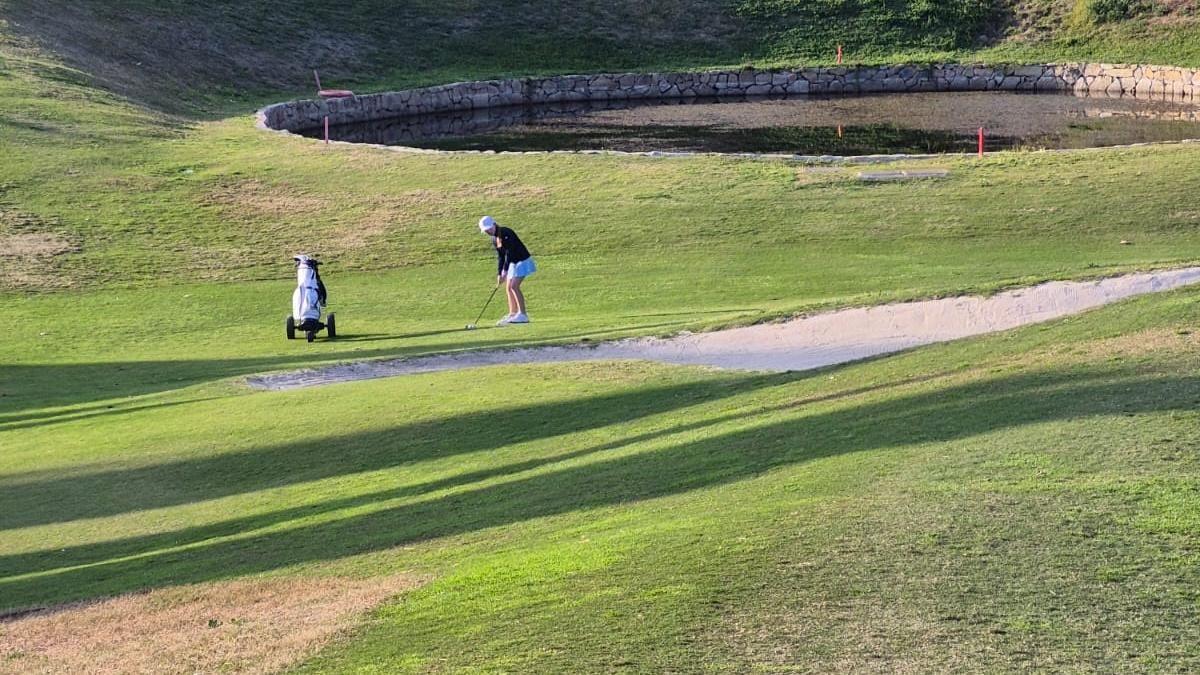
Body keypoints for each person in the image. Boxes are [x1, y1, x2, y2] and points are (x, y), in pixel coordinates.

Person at [479, 215, 536, 325]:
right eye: (486, 230)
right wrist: (500, 273)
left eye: (489, 229)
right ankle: (513, 313)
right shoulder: (494, 239)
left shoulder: (506, 233)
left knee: (514, 286)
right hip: (513, 263)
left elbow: (510, 253)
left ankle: (523, 314)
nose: (488, 231)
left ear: (494, 224)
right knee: (508, 288)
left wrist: (505, 270)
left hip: (522, 260)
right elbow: (501, 256)